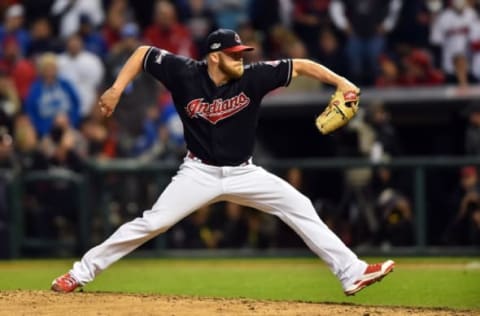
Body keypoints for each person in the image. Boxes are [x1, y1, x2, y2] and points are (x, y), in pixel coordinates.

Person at [51, 28, 394, 295]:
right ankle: (80, 273)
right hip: (198, 172)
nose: (241, 59)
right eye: (233, 54)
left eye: (242, 53)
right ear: (214, 57)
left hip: (244, 172)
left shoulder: (254, 76)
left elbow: (301, 65)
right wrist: (116, 88)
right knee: (153, 223)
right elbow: (143, 53)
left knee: (298, 204)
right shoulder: (184, 73)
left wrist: (342, 82)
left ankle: (351, 273)